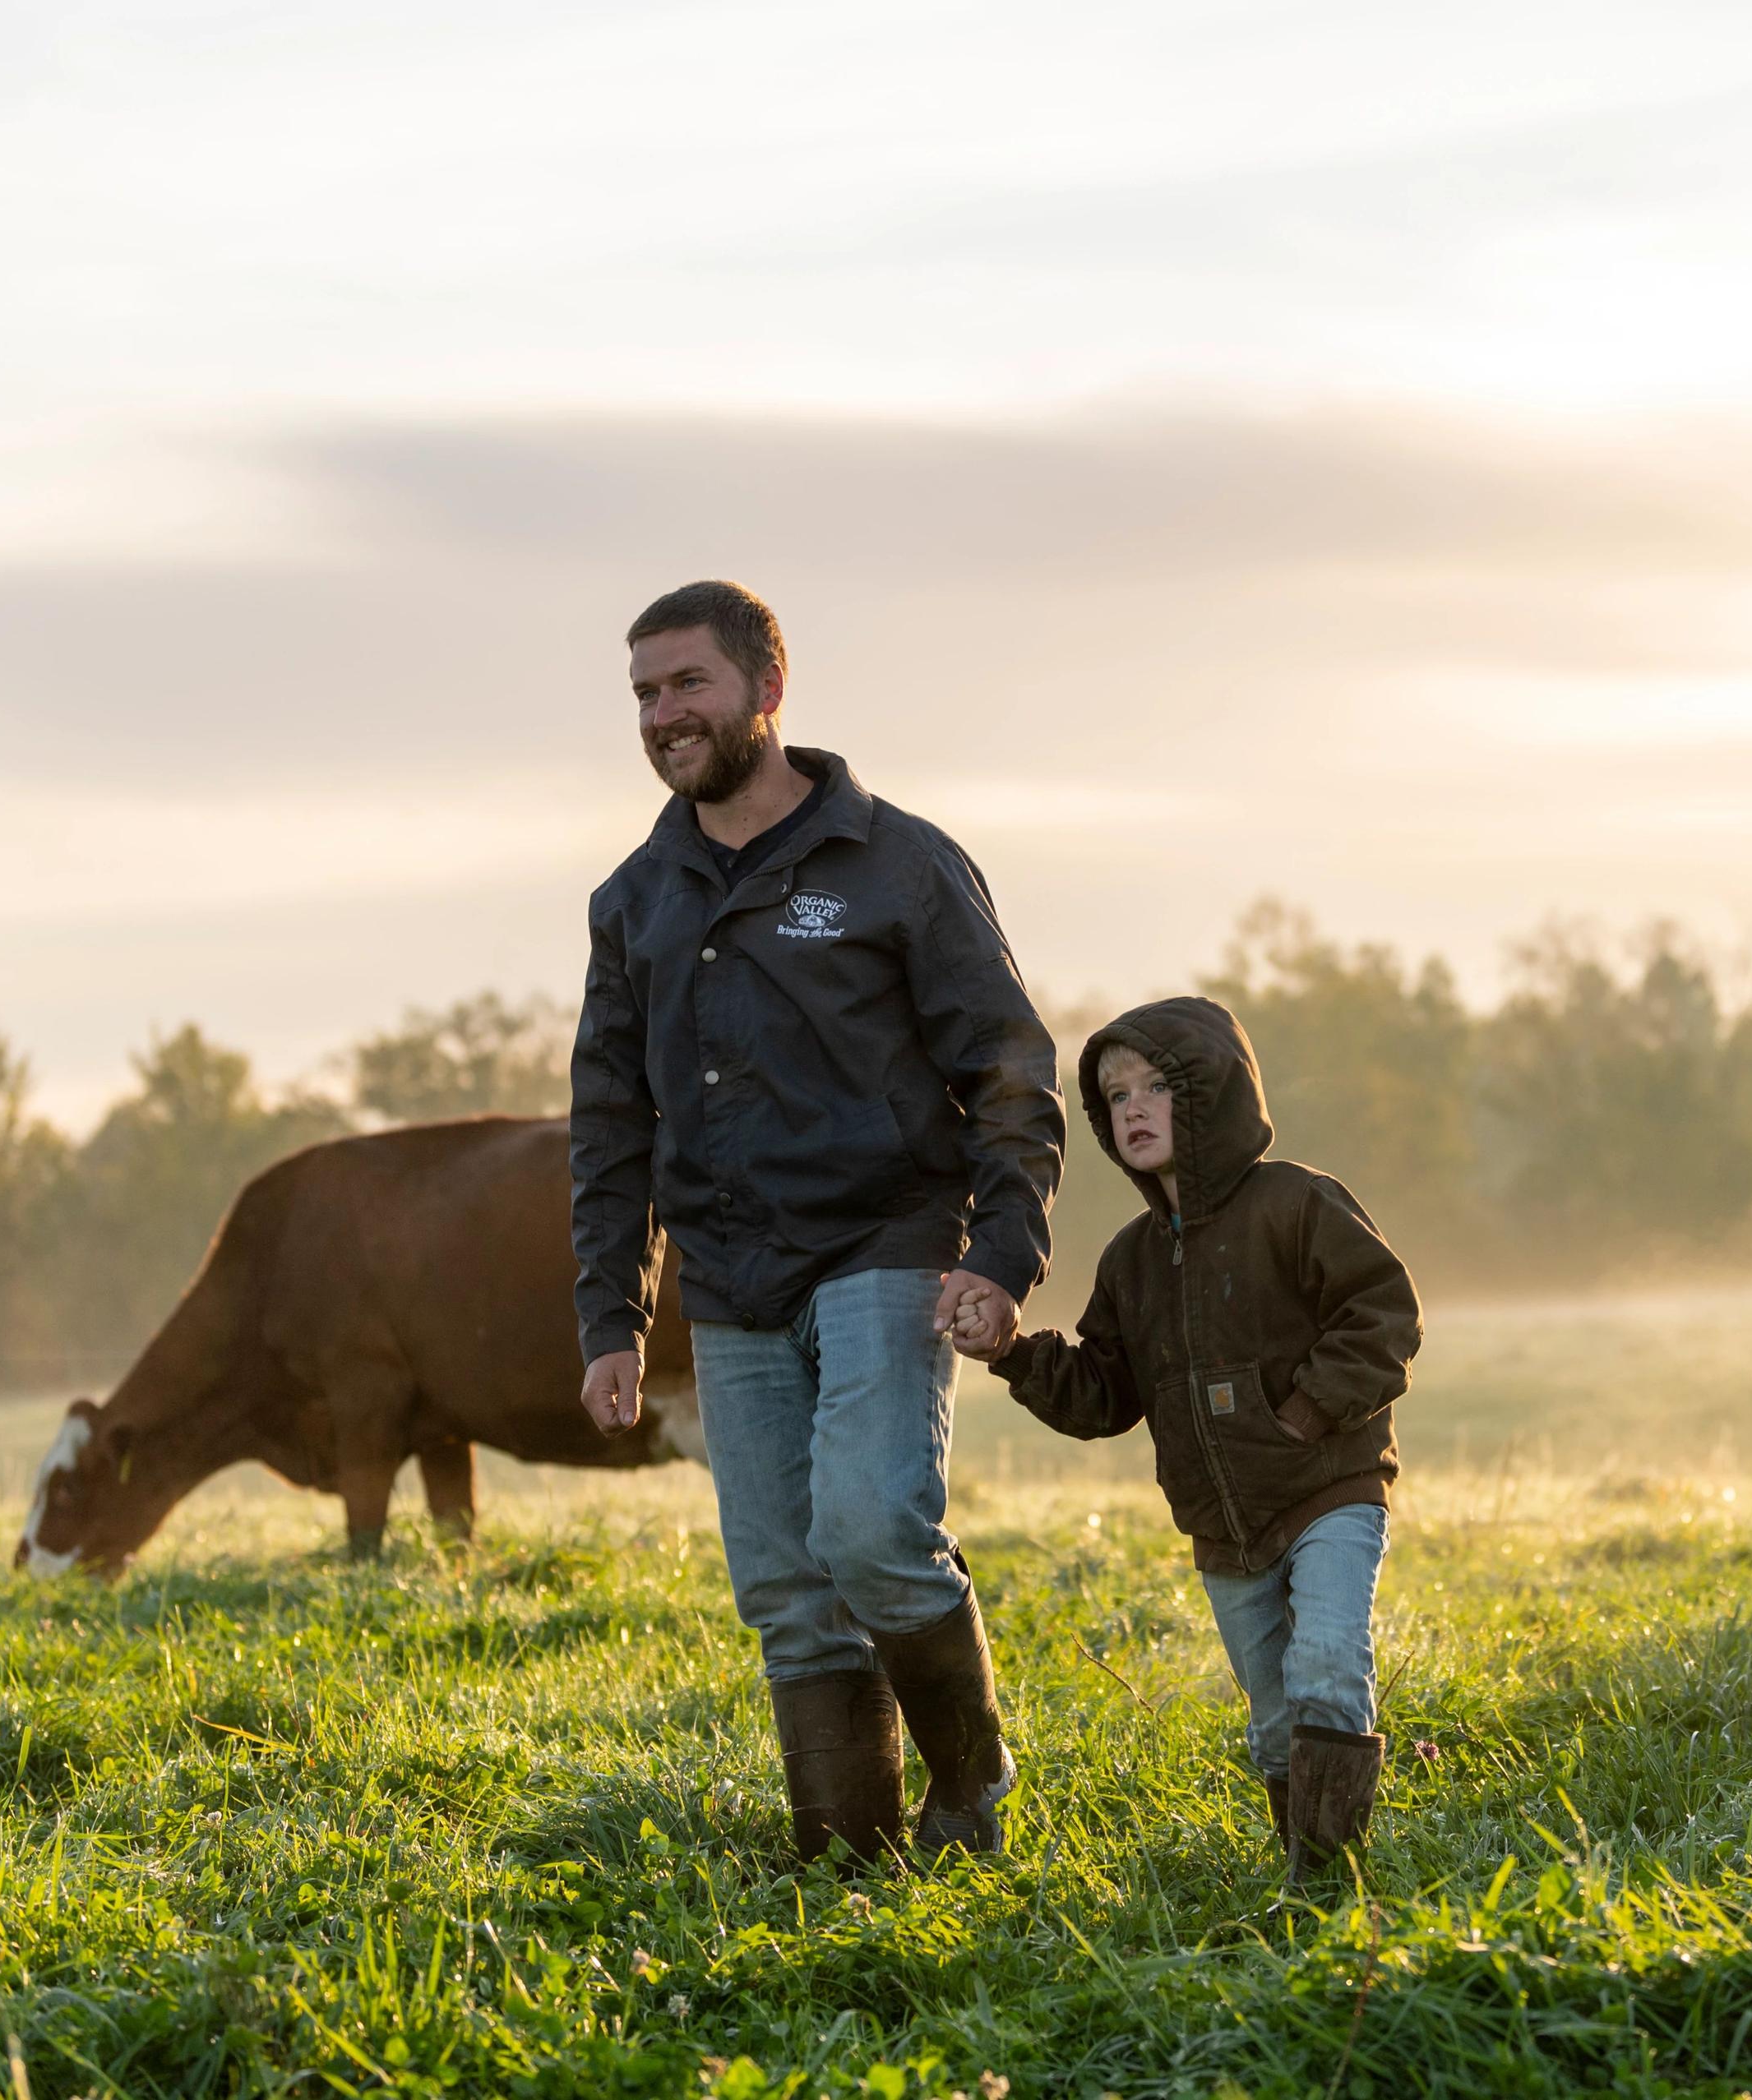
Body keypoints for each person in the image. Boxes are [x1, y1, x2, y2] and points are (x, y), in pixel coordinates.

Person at [567, 580, 1065, 1867]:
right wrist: (611, 1313)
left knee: (871, 1529)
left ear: (764, 690)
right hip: (729, 1279)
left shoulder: (895, 861)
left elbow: (1009, 1064)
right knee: (787, 1587)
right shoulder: (633, 902)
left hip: (883, 1243)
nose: (662, 714)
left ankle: (970, 1780)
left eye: (686, 684)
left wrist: (1002, 1252)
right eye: (643, 694)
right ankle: (846, 1854)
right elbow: (610, 1122)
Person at [952, 995, 1422, 1882]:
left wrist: (1305, 1416)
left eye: (1157, 1085)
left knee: (1325, 1664)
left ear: (1215, 1090)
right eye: (1113, 1092)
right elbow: (1104, 1393)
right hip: (1223, 1528)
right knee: (1276, 1719)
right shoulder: (1129, 1259)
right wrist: (1013, 1351)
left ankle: (1332, 1878)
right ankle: (1307, 1877)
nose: (1132, 1105)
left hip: (1330, 1489)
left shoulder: (1298, 1200)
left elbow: (1383, 1313)